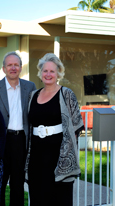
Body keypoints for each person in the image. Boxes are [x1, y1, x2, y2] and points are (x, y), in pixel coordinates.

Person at [25, 53, 84, 206]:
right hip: (37, 158)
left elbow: (76, 127)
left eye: (52, 71)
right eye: (45, 71)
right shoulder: (33, 95)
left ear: (58, 73)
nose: (48, 74)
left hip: (59, 158)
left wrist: (67, 155)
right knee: (38, 198)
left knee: (60, 200)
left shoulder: (66, 94)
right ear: (40, 73)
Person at [0, 51, 36, 206]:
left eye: (16, 65)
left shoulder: (30, 87)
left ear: (21, 68)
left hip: (21, 141)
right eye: (10, 65)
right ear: (3, 68)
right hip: (0, 142)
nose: (13, 68)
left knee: (18, 183)